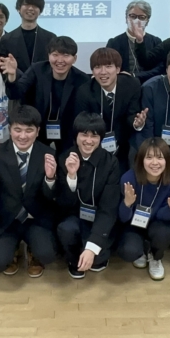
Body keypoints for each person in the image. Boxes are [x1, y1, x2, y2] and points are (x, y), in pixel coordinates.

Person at [0, 106, 60, 277]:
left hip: (36, 219)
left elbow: (51, 196)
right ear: (9, 129)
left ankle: (33, 250)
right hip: (7, 219)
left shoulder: (48, 153)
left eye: (29, 130)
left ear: (38, 131)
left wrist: (50, 178)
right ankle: (13, 248)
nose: (23, 136)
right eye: (18, 130)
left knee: (48, 255)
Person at [52, 113, 121, 278]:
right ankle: (73, 259)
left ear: (101, 138)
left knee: (97, 259)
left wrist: (92, 247)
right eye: (84, 134)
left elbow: (108, 209)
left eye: (94, 136)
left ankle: (92, 251)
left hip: (99, 218)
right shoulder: (65, 158)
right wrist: (71, 177)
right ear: (76, 136)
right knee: (66, 229)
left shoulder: (111, 163)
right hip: (74, 217)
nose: (88, 141)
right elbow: (63, 203)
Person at [2, 36, 91, 155]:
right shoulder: (37, 70)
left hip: (67, 131)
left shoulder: (82, 80)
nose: (60, 60)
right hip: (38, 127)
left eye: (66, 55)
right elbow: (15, 94)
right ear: (48, 56)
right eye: (55, 55)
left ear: (74, 59)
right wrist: (12, 76)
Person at [116, 137, 170, 281]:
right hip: (134, 224)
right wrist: (127, 204)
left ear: (167, 160)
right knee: (129, 251)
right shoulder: (128, 179)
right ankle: (142, 251)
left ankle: (155, 256)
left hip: (158, 223)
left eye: (160, 157)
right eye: (149, 157)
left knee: (164, 233)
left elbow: (166, 217)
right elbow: (123, 218)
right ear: (141, 159)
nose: (154, 163)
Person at [74, 47, 147, 173]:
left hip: (122, 144)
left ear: (118, 69)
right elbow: (82, 123)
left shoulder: (131, 85)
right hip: (93, 144)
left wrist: (136, 123)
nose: (103, 72)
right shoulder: (85, 91)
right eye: (97, 67)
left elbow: (131, 114)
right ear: (92, 71)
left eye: (108, 66)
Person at [105, 0, 165, 83]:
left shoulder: (155, 42)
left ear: (147, 21)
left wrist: (134, 75)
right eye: (133, 16)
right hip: (122, 84)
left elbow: (159, 69)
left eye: (141, 17)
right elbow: (109, 67)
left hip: (149, 84)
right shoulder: (114, 42)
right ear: (126, 18)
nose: (136, 20)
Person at [0, 0, 56, 72]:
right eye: (26, 4)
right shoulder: (6, 39)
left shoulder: (50, 38)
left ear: (40, 11)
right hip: (16, 80)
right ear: (19, 8)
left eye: (35, 6)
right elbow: (2, 69)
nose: (31, 8)